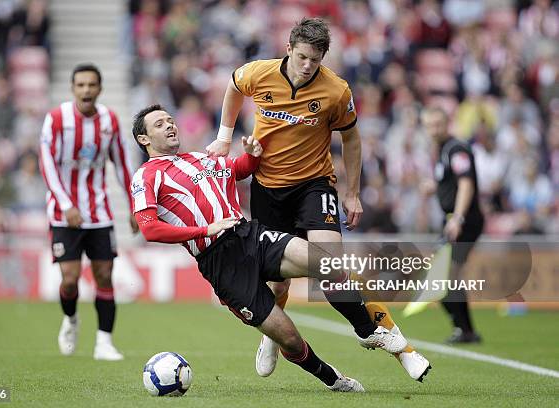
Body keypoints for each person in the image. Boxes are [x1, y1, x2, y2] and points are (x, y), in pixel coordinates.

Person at [206, 17, 430, 380]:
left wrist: (353, 192)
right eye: (303, 57)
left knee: (330, 268)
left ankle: (396, 345)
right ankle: (272, 337)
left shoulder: (336, 91)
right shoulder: (257, 73)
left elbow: (352, 139)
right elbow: (233, 86)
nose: (308, 65)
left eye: (316, 59)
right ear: (290, 48)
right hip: (267, 186)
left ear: (324, 55)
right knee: (278, 285)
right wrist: (224, 136)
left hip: (314, 185)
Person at [39, 63, 139, 360]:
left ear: (100, 89)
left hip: (99, 213)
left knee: (105, 275)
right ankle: (70, 319)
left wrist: (135, 204)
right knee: (69, 279)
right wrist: (66, 204)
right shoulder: (57, 119)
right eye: (80, 85)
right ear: (73, 88)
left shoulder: (109, 120)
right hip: (63, 214)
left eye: (91, 85)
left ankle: (104, 342)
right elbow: (47, 164)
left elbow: (121, 163)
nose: (86, 90)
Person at [420, 106, 483, 343]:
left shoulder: (456, 149)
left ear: (447, 124)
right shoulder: (443, 150)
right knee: (443, 277)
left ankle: (465, 330)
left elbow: (466, 184)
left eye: (438, 124)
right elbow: (452, 182)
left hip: (463, 221)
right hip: (453, 221)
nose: (434, 129)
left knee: (444, 276)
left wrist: (458, 217)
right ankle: (465, 329)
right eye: (429, 125)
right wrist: (434, 186)